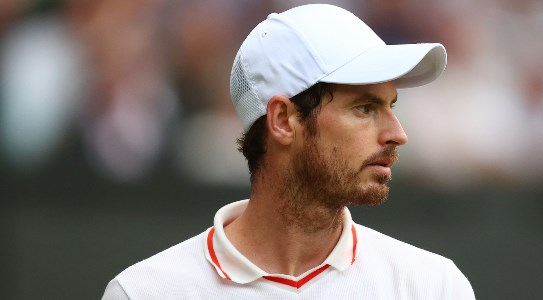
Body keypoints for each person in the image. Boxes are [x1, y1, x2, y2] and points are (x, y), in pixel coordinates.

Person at [101, 4, 475, 299]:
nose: (397, 134)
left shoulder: (435, 288)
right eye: (365, 108)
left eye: (391, 106)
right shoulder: (144, 293)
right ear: (282, 120)